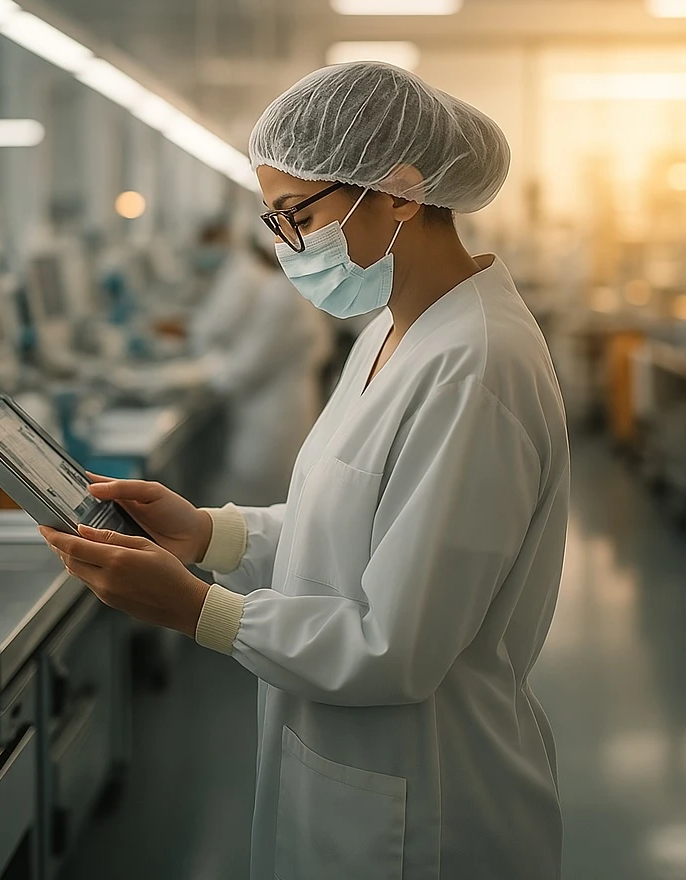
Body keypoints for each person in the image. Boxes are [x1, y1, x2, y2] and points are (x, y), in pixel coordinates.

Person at [41, 62, 569, 880]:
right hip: (358, 772)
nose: (288, 245)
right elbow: (353, 519)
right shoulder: (393, 331)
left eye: (298, 215)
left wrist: (198, 612)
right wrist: (210, 534)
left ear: (398, 193)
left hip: (426, 804)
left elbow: (394, 647)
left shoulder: (477, 365)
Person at [190, 220, 332, 505]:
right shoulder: (290, 292)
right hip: (286, 411)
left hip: (269, 424)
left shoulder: (281, 296)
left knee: (251, 505)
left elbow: (245, 368)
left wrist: (192, 376)